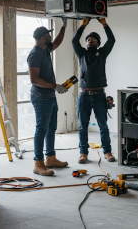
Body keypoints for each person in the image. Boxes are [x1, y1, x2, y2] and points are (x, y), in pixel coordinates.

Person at [27, 18, 69, 176]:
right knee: (41, 130)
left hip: (50, 96)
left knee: (51, 128)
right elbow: (34, 79)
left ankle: (50, 158)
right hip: (41, 98)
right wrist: (54, 86)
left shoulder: (45, 49)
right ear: (43, 38)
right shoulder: (34, 55)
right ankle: (38, 163)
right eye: (48, 35)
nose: (51, 37)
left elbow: (57, 42)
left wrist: (64, 26)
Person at [72, 17, 115, 164]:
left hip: (99, 96)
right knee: (83, 127)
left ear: (98, 43)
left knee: (103, 126)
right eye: (88, 40)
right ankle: (83, 153)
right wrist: (83, 26)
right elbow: (74, 41)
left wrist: (104, 24)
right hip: (84, 96)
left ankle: (107, 152)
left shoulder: (102, 53)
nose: (90, 41)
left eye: (93, 40)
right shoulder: (82, 54)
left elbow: (112, 40)